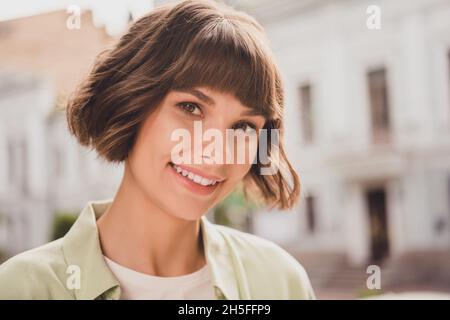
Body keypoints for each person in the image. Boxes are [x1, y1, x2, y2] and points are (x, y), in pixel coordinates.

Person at [0, 0, 315, 300]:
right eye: (191, 108)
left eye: (244, 127)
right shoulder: (21, 288)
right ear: (131, 103)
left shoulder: (280, 282)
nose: (217, 152)